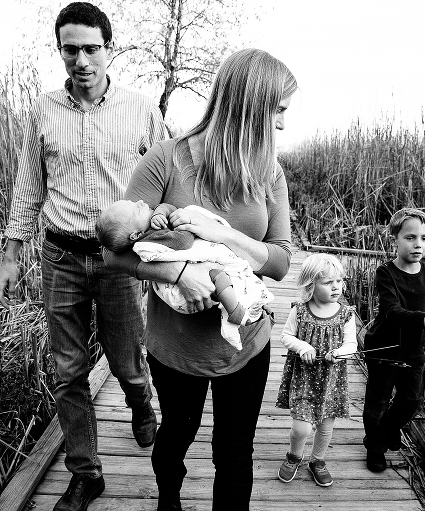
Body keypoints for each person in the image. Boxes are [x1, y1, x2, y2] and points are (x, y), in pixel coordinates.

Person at [103, 48, 295, 511]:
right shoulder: (164, 160)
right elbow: (114, 251)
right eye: (279, 112)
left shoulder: (269, 172)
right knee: (177, 436)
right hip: (178, 348)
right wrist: (180, 272)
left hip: (247, 343)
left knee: (234, 453)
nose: (284, 125)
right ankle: (168, 499)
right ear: (250, 106)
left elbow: (281, 261)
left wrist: (224, 236)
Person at [0, 3, 167, 510]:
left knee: (126, 360)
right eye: (71, 49)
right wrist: (11, 253)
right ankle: (85, 473)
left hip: (118, 260)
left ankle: (139, 399)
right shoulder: (44, 109)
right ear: (60, 51)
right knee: (68, 371)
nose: (82, 60)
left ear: (109, 49)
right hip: (60, 255)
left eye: (92, 48)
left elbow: (164, 183)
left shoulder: (139, 110)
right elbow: (28, 186)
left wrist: (162, 237)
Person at [95, 199, 273, 349]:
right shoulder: (150, 240)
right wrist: (189, 224)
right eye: (136, 209)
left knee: (234, 278)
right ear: (136, 235)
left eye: (135, 202)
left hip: (196, 277)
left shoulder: (153, 224)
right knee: (220, 276)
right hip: (183, 293)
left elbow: (167, 206)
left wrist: (159, 213)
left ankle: (255, 304)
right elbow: (183, 241)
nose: (141, 202)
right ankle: (235, 312)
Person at [361, 207, 425, 473]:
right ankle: (375, 447)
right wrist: (423, 318)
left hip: (413, 350)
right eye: (410, 237)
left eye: (424, 238)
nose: (418, 244)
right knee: (378, 402)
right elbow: (393, 312)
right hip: (384, 348)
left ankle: (387, 429)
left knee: (411, 401)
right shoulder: (386, 273)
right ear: (395, 237)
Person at [275, 254, 357, 487]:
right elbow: (286, 336)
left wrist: (338, 353)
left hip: (331, 380)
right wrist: (303, 347)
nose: (336, 287)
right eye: (328, 282)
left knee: (325, 426)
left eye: (339, 281)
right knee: (301, 427)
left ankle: (317, 460)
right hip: (304, 378)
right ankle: (294, 456)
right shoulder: (299, 311)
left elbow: (352, 345)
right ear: (311, 284)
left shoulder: (346, 314)